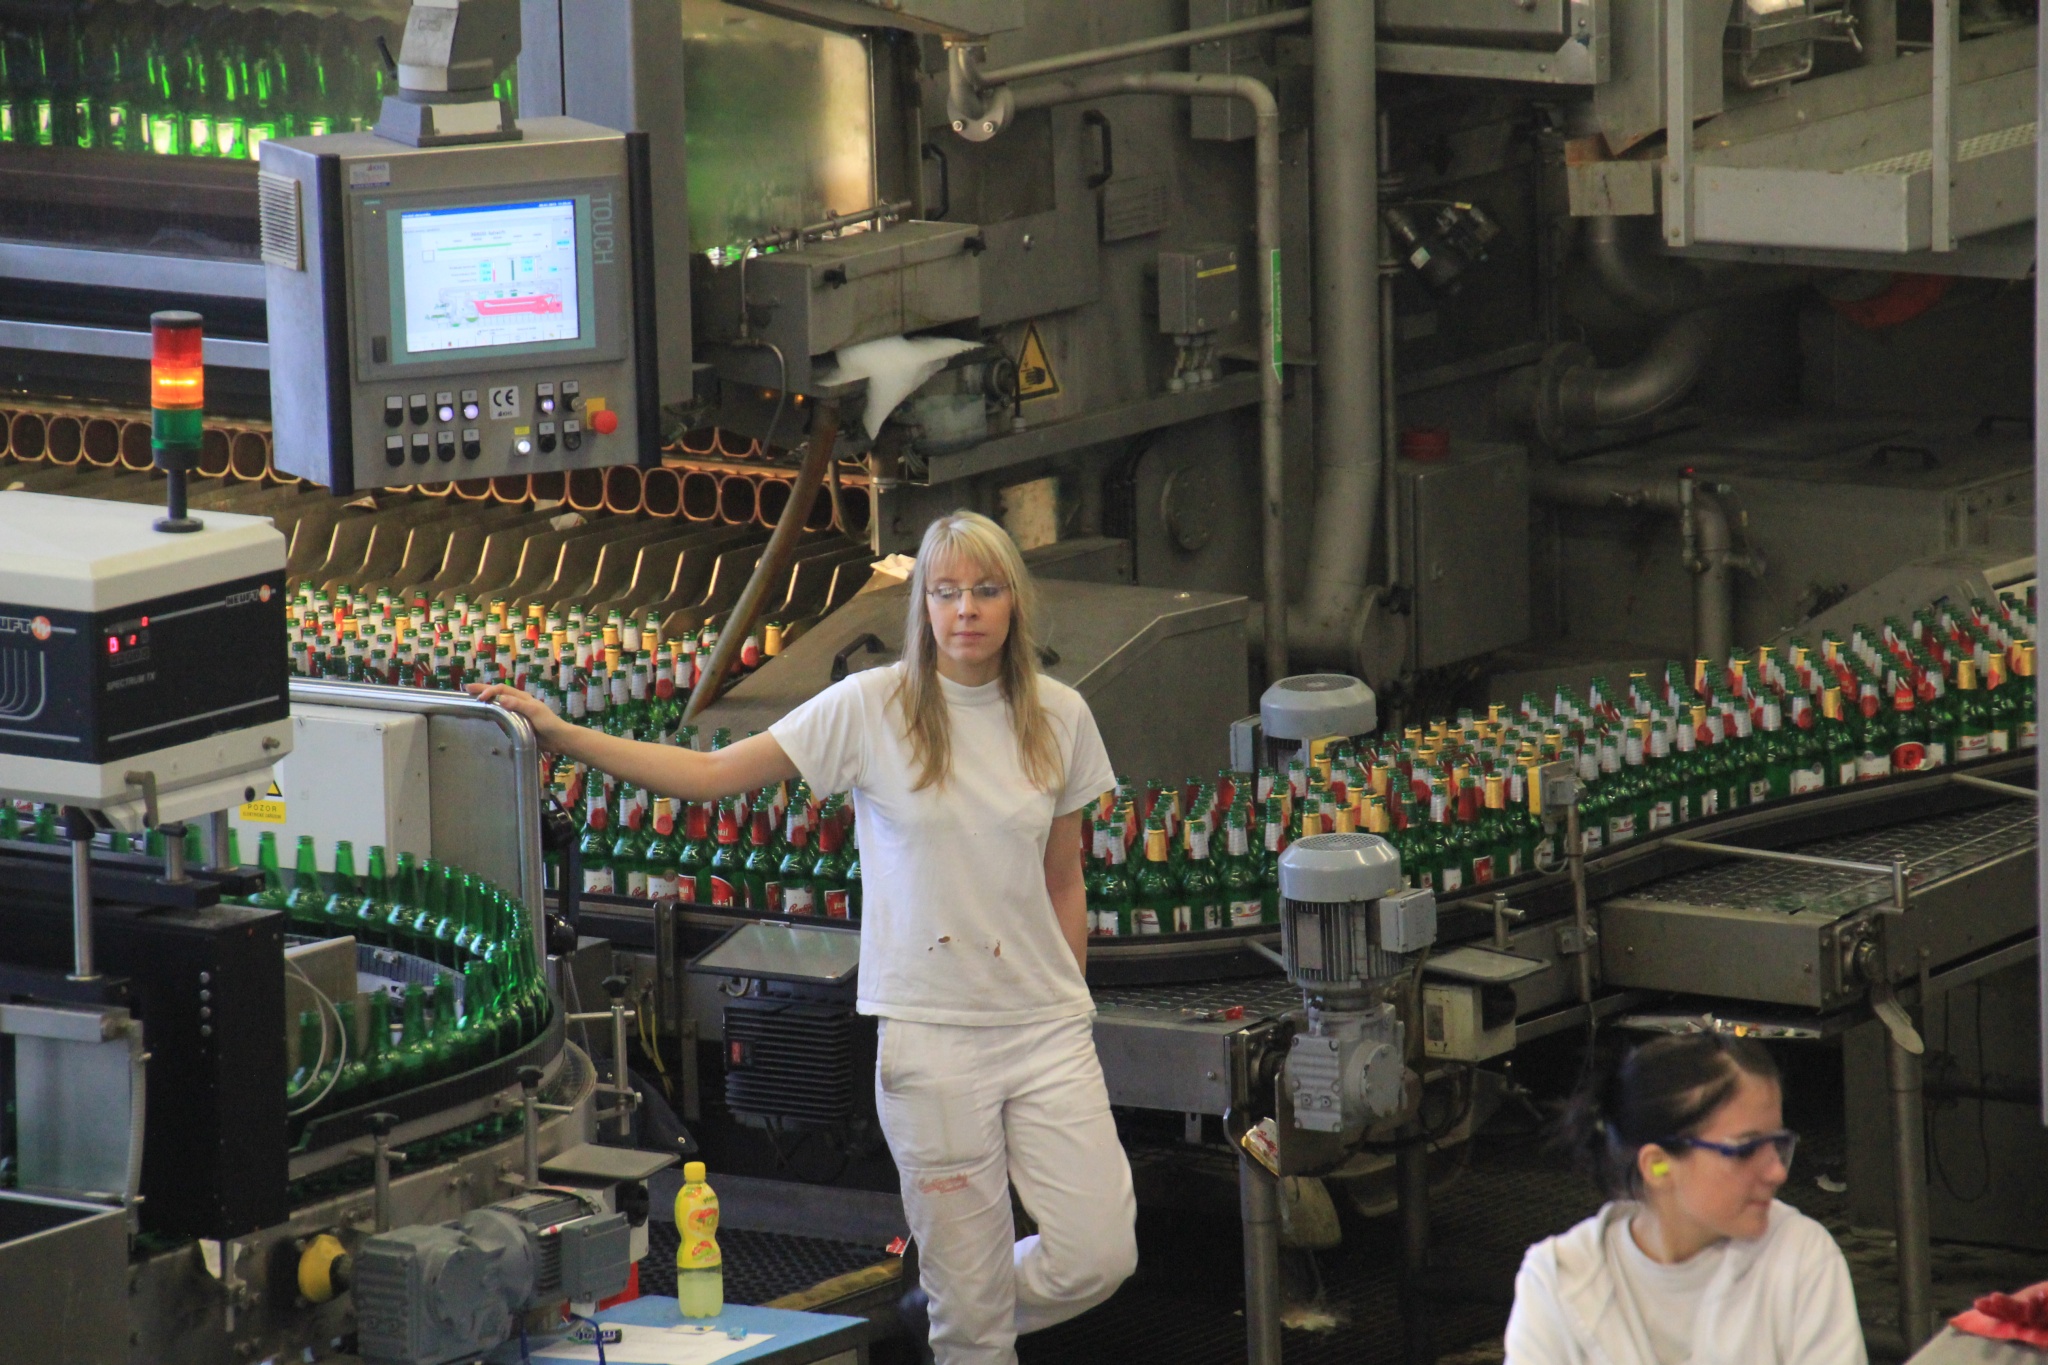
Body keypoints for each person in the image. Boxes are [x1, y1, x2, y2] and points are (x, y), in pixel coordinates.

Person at [473, 510, 1137, 1365]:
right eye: (945, 592)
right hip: (931, 1043)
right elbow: (711, 777)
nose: (965, 609)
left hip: (1045, 1031)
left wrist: (1069, 998)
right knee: (973, 1332)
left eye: (984, 589)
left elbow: (1063, 875)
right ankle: (961, 1312)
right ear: (923, 607)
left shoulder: (1060, 715)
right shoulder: (874, 707)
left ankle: (951, 1300)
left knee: (1099, 1251)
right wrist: (563, 734)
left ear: (1014, 602)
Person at [1505, 1033, 1865, 1365]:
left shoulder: (1800, 1257)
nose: (1777, 1172)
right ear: (1658, 1167)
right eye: (1746, 1149)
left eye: (1779, 1145)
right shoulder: (1559, 1281)